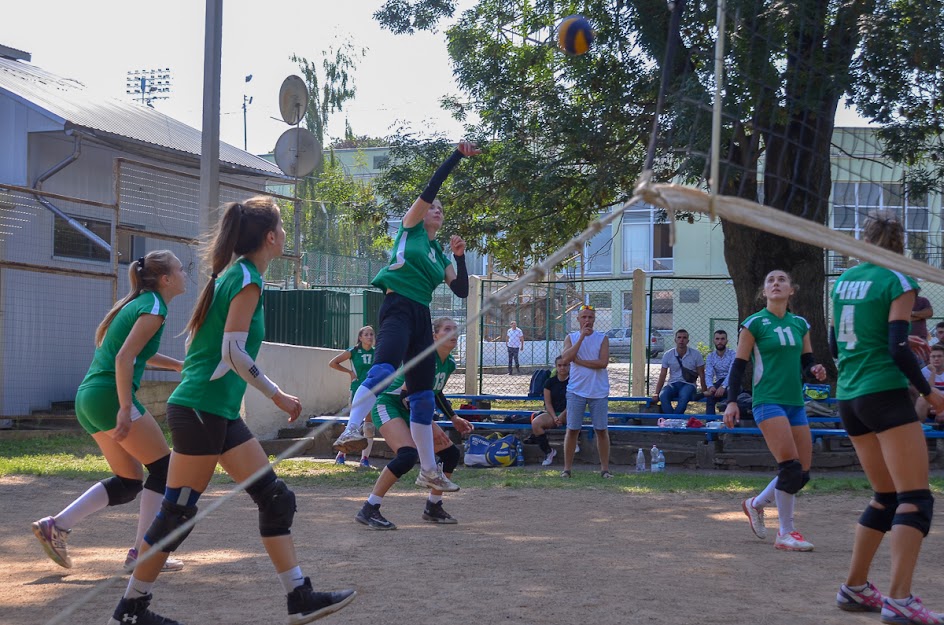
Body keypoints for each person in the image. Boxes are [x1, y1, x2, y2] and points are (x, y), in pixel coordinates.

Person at [105, 198, 356, 625]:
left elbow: (211, 351)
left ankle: (299, 596)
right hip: (202, 409)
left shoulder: (238, 275)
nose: (285, 236)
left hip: (214, 411)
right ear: (271, 237)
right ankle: (130, 610)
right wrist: (277, 395)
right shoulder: (245, 278)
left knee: (275, 499)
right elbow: (233, 351)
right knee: (178, 511)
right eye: (282, 229)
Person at [332, 140, 479, 494]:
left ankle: (430, 470)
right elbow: (432, 187)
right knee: (383, 369)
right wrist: (456, 156)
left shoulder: (438, 252)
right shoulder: (410, 229)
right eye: (434, 207)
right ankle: (352, 428)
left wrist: (459, 256)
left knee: (423, 394)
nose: (437, 210)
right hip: (397, 305)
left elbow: (460, 290)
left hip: (420, 313)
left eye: (441, 210)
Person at [32, 251, 187, 574]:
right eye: (180, 269)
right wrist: (126, 407)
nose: (185, 274)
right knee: (164, 470)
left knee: (130, 482)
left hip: (89, 399)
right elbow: (123, 359)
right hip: (108, 399)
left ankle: (56, 525)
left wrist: (175, 366)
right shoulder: (155, 306)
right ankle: (144, 552)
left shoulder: (141, 303)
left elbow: (135, 351)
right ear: (165, 279)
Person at [830, 210, 944, 622]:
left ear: (864, 240)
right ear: (900, 245)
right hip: (883, 393)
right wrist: (932, 394)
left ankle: (855, 589)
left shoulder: (844, 281)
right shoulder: (898, 280)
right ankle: (900, 599)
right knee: (915, 499)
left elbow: (837, 341)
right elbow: (896, 349)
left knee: (886, 497)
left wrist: (891, 343)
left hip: (850, 397)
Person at [724, 269, 827, 552]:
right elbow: (738, 365)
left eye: (782, 280)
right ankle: (786, 532)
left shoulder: (800, 324)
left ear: (791, 290)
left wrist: (815, 369)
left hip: (795, 402)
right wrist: (732, 401)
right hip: (767, 400)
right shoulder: (754, 323)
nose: (776, 283)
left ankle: (755, 504)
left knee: (802, 474)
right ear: (764, 291)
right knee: (790, 467)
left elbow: (807, 363)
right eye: (770, 280)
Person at [355, 317, 474, 530]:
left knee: (450, 455)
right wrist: (429, 423)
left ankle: (433, 506)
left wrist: (453, 417)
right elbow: (405, 397)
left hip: (414, 407)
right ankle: (370, 507)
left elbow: (434, 392)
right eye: (447, 329)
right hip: (390, 404)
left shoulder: (449, 363)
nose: (453, 333)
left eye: (456, 329)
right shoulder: (423, 357)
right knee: (407, 455)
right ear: (434, 336)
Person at [559, 305, 612, 479]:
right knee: (572, 429)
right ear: (578, 319)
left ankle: (604, 469)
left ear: (594, 319)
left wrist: (580, 361)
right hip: (576, 391)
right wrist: (581, 337)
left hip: (599, 391)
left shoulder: (602, 338)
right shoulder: (571, 337)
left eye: (590, 317)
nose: (587, 320)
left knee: (601, 430)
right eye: (584, 317)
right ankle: (567, 469)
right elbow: (565, 358)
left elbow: (602, 363)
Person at [328, 326, 376, 467]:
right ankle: (341, 454)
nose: (369, 337)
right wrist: (350, 372)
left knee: (369, 425)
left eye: (372, 334)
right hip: (357, 390)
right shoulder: (354, 352)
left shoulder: (377, 352)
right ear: (360, 337)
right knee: (353, 423)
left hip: (373, 390)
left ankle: (365, 459)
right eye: (366, 334)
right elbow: (333, 363)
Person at [652, 329, 707, 414]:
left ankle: (672, 421)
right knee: (663, 395)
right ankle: (673, 421)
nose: (681, 340)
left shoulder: (696, 354)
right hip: (672, 384)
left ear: (688, 341)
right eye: (679, 337)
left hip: (689, 385)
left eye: (684, 338)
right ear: (675, 340)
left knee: (684, 396)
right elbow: (662, 375)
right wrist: (656, 393)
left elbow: (702, 374)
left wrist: (704, 391)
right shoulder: (668, 354)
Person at [528, 356, 570, 466]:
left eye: (565, 365)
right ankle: (548, 452)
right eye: (559, 365)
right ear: (556, 367)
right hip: (553, 413)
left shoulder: (573, 382)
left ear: (569, 366)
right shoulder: (549, 382)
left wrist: (561, 416)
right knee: (536, 423)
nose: (562, 368)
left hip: (568, 412)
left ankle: (573, 443)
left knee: (573, 417)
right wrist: (555, 417)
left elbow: (573, 403)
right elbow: (548, 403)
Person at [704, 329, 734, 416]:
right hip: (719, 383)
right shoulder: (711, 356)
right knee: (710, 397)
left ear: (726, 341)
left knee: (732, 395)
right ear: (714, 341)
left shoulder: (733, 354)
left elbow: (732, 373)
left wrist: (723, 386)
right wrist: (710, 386)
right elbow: (709, 373)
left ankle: (732, 425)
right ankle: (710, 425)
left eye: (722, 339)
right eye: (717, 339)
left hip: (732, 383)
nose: (719, 341)